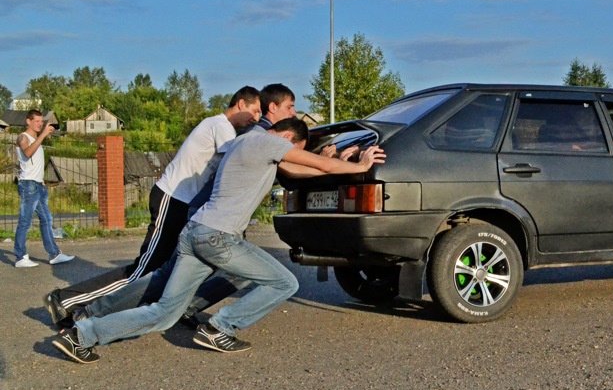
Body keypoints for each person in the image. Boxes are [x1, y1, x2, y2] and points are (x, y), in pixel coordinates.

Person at [51, 117, 386, 363]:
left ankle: (83, 334)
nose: (288, 154)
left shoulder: (244, 142)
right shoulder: (269, 142)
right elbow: (312, 163)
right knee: (284, 282)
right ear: (286, 136)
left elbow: (302, 171)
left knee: (164, 312)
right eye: (291, 148)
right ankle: (219, 328)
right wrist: (360, 164)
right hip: (217, 237)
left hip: (195, 232)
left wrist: (340, 166)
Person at [44, 87, 261, 323]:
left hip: (187, 205)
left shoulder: (223, 128)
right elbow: (242, 159)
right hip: (173, 199)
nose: (256, 118)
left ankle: (173, 308)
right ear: (240, 103)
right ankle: (65, 300)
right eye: (255, 111)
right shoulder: (221, 127)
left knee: (183, 264)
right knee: (145, 269)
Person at [13, 110, 73, 268]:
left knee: (46, 220)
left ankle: (54, 254)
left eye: (41, 121)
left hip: (38, 185)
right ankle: (20, 257)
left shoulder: (36, 138)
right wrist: (43, 135)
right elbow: (27, 153)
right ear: (28, 121)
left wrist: (42, 182)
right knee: (25, 221)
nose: (40, 124)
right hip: (28, 185)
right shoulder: (23, 137)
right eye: (37, 121)